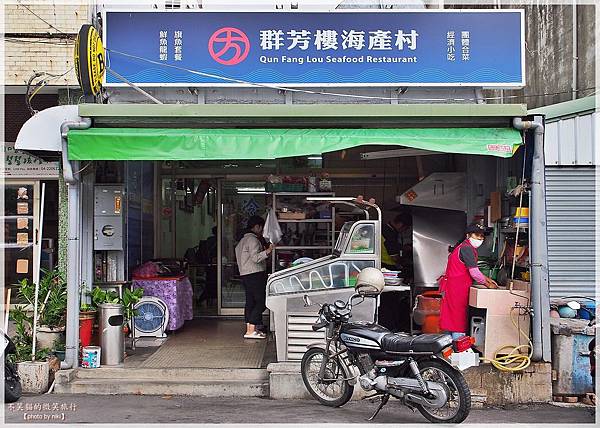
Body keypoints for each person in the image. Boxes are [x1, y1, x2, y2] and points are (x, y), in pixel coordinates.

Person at [439, 223, 498, 339]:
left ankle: (446, 348)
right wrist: (487, 284)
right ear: (468, 235)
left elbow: (471, 269)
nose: (480, 238)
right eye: (477, 235)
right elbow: (474, 273)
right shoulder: (467, 249)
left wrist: (487, 279)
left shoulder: (463, 247)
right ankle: (458, 350)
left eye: (482, 236)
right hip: (457, 290)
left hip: (452, 289)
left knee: (450, 321)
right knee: (457, 322)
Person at [235, 215, 273, 340]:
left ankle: (251, 329)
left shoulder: (242, 241)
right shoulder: (253, 240)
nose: (262, 232)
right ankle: (252, 328)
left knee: (250, 302)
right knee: (261, 301)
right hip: (255, 274)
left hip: (245, 274)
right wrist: (268, 251)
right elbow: (256, 258)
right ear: (257, 227)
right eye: (261, 229)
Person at [378, 213, 412, 332]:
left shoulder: (384, 229)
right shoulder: (389, 233)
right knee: (389, 301)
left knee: (386, 301)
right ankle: (389, 327)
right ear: (401, 225)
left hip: (382, 267)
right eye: (405, 228)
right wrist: (404, 260)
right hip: (387, 269)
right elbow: (394, 256)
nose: (404, 231)